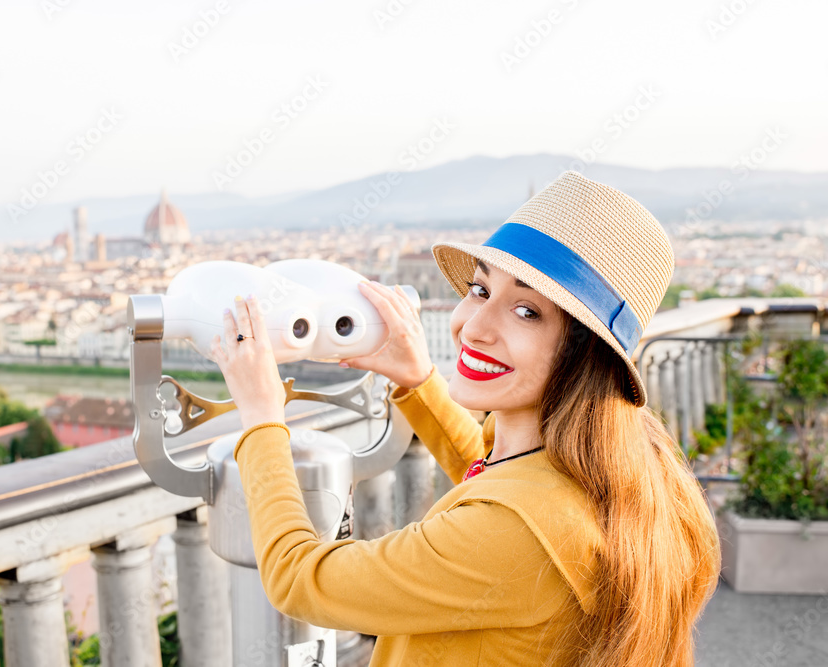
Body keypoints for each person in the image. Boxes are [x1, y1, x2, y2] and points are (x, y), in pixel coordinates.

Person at [209, 171, 720, 666]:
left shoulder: (520, 533)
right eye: (480, 290)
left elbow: (298, 579)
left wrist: (261, 420)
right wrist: (418, 381)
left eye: (527, 312)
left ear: (585, 355)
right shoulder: (621, 467)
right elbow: (498, 475)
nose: (473, 327)